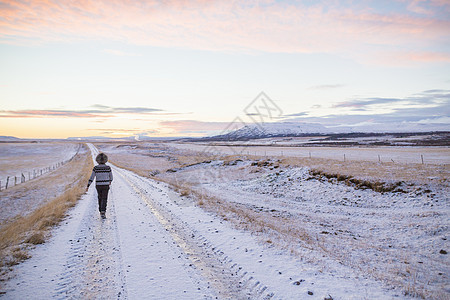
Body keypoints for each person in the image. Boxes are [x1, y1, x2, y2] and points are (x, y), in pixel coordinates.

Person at [87, 153, 113, 218]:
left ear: (97, 160)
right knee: (105, 198)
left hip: (98, 185)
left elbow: (92, 177)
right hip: (106, 185)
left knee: (100, 197)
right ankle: (103, 212)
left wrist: (88, 185)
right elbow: (111, 177)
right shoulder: (108, 168)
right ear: (105, 160)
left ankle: (100, 210)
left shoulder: (95, 168)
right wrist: (109, 181)